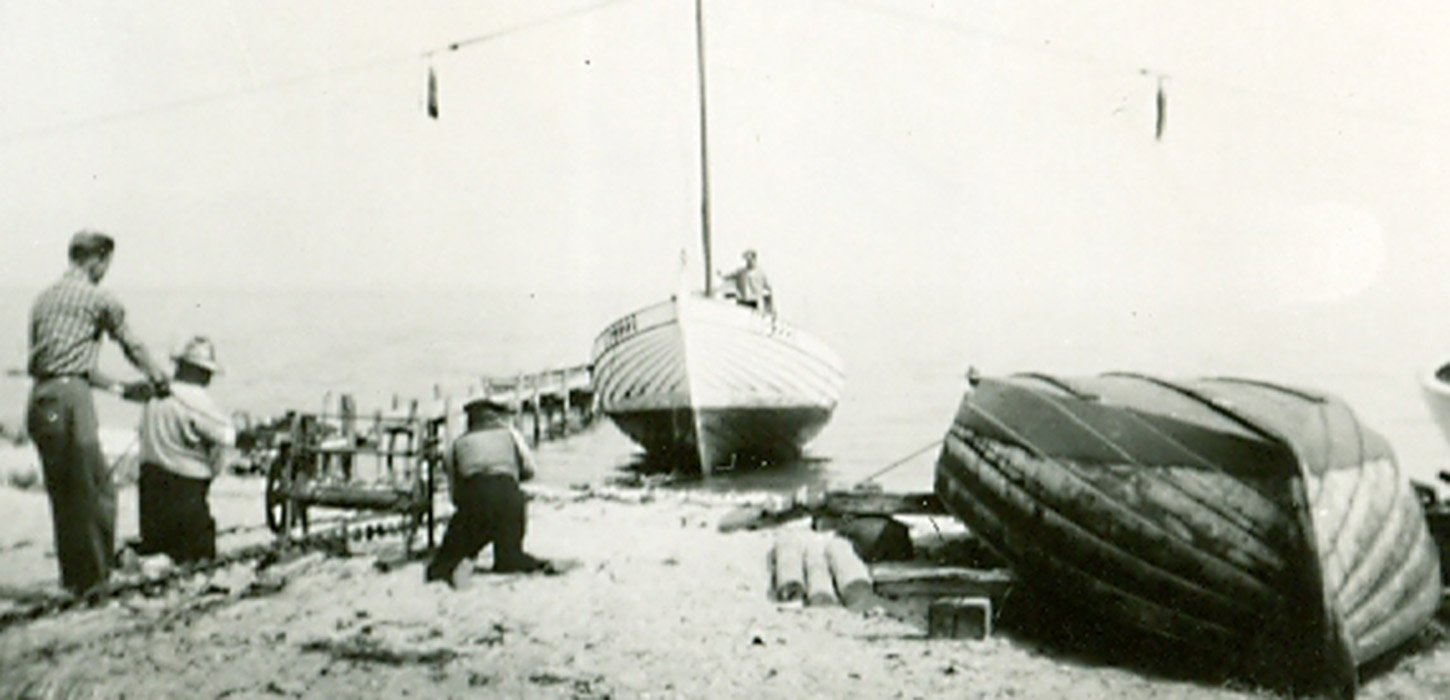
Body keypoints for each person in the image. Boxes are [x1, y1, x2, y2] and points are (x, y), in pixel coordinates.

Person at [26, 230, 170, 595]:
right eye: (106, 264)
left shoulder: (43, 300)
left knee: (64, 493)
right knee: (97, 489)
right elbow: (131, 345)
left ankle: (74, 578)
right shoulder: (100, 298)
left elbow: (66, 365)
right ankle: (95, 579)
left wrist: (122, 391)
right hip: (71, 400)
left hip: (42, 401)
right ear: (98, 260)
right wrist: (158, 377)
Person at [425, 397, 548, 589]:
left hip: (476, 498)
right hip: (509, 498)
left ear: (470, 420)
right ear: (495, 417)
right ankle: (513, 558)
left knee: (443, 562)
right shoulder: (510, 435)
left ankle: (460, 562)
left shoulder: (456, 445)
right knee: (509, 557)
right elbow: (530, 470)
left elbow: (455, 494)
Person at [133, 336, 236, 565]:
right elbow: (227, 436)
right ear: (200, 371)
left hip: (150, 490)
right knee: (198, 557)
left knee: (157, 549)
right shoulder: (198, 400)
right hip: (186, 493)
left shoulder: (155, 395)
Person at [719, 249, 774, 313]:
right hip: (742, 300)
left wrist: (769, 307)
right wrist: (721, 275)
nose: (748, 262)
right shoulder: (741, 271)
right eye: (746, 260)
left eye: (749, 260)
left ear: (754, 259)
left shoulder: (761, 273)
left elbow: (768, 290)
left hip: (753, 301)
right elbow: (728, 276)